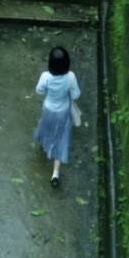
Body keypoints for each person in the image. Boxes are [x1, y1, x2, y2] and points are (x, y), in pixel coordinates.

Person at [33, 46, 80, 188]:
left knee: (46, 127)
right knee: (60, 138)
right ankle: (55, 173)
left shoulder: (45, 76)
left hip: (48, 108)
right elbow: (76, 94)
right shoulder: (70, 77)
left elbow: (39, 90)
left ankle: (45, 144)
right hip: (63, 111)